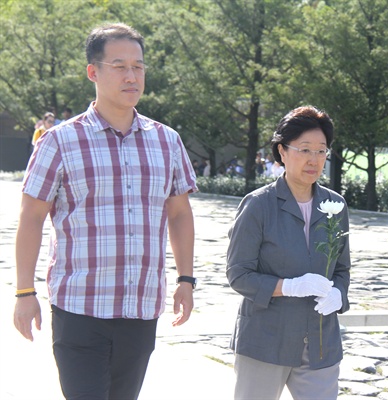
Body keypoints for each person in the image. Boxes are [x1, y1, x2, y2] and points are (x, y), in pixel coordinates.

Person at [13, 23, 198, 400]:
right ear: (93, 72)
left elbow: (179, 214)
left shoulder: (167, 141)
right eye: (119, 66)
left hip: (141, 308)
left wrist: (186, 280)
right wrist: (24, 292)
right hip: (80, 308)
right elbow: (31, 218)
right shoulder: (60, 141)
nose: (132, 76)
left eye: (139, 66)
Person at [226, 106, 351, 400]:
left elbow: (342, 269)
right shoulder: (258, 205)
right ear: (282, 151)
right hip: (266, 342)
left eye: (321, 151)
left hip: (321, 342)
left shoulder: (335, 206)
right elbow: (238, 274)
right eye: (305, 149)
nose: (314, 159)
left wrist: (339, 295)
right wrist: (289, 287)